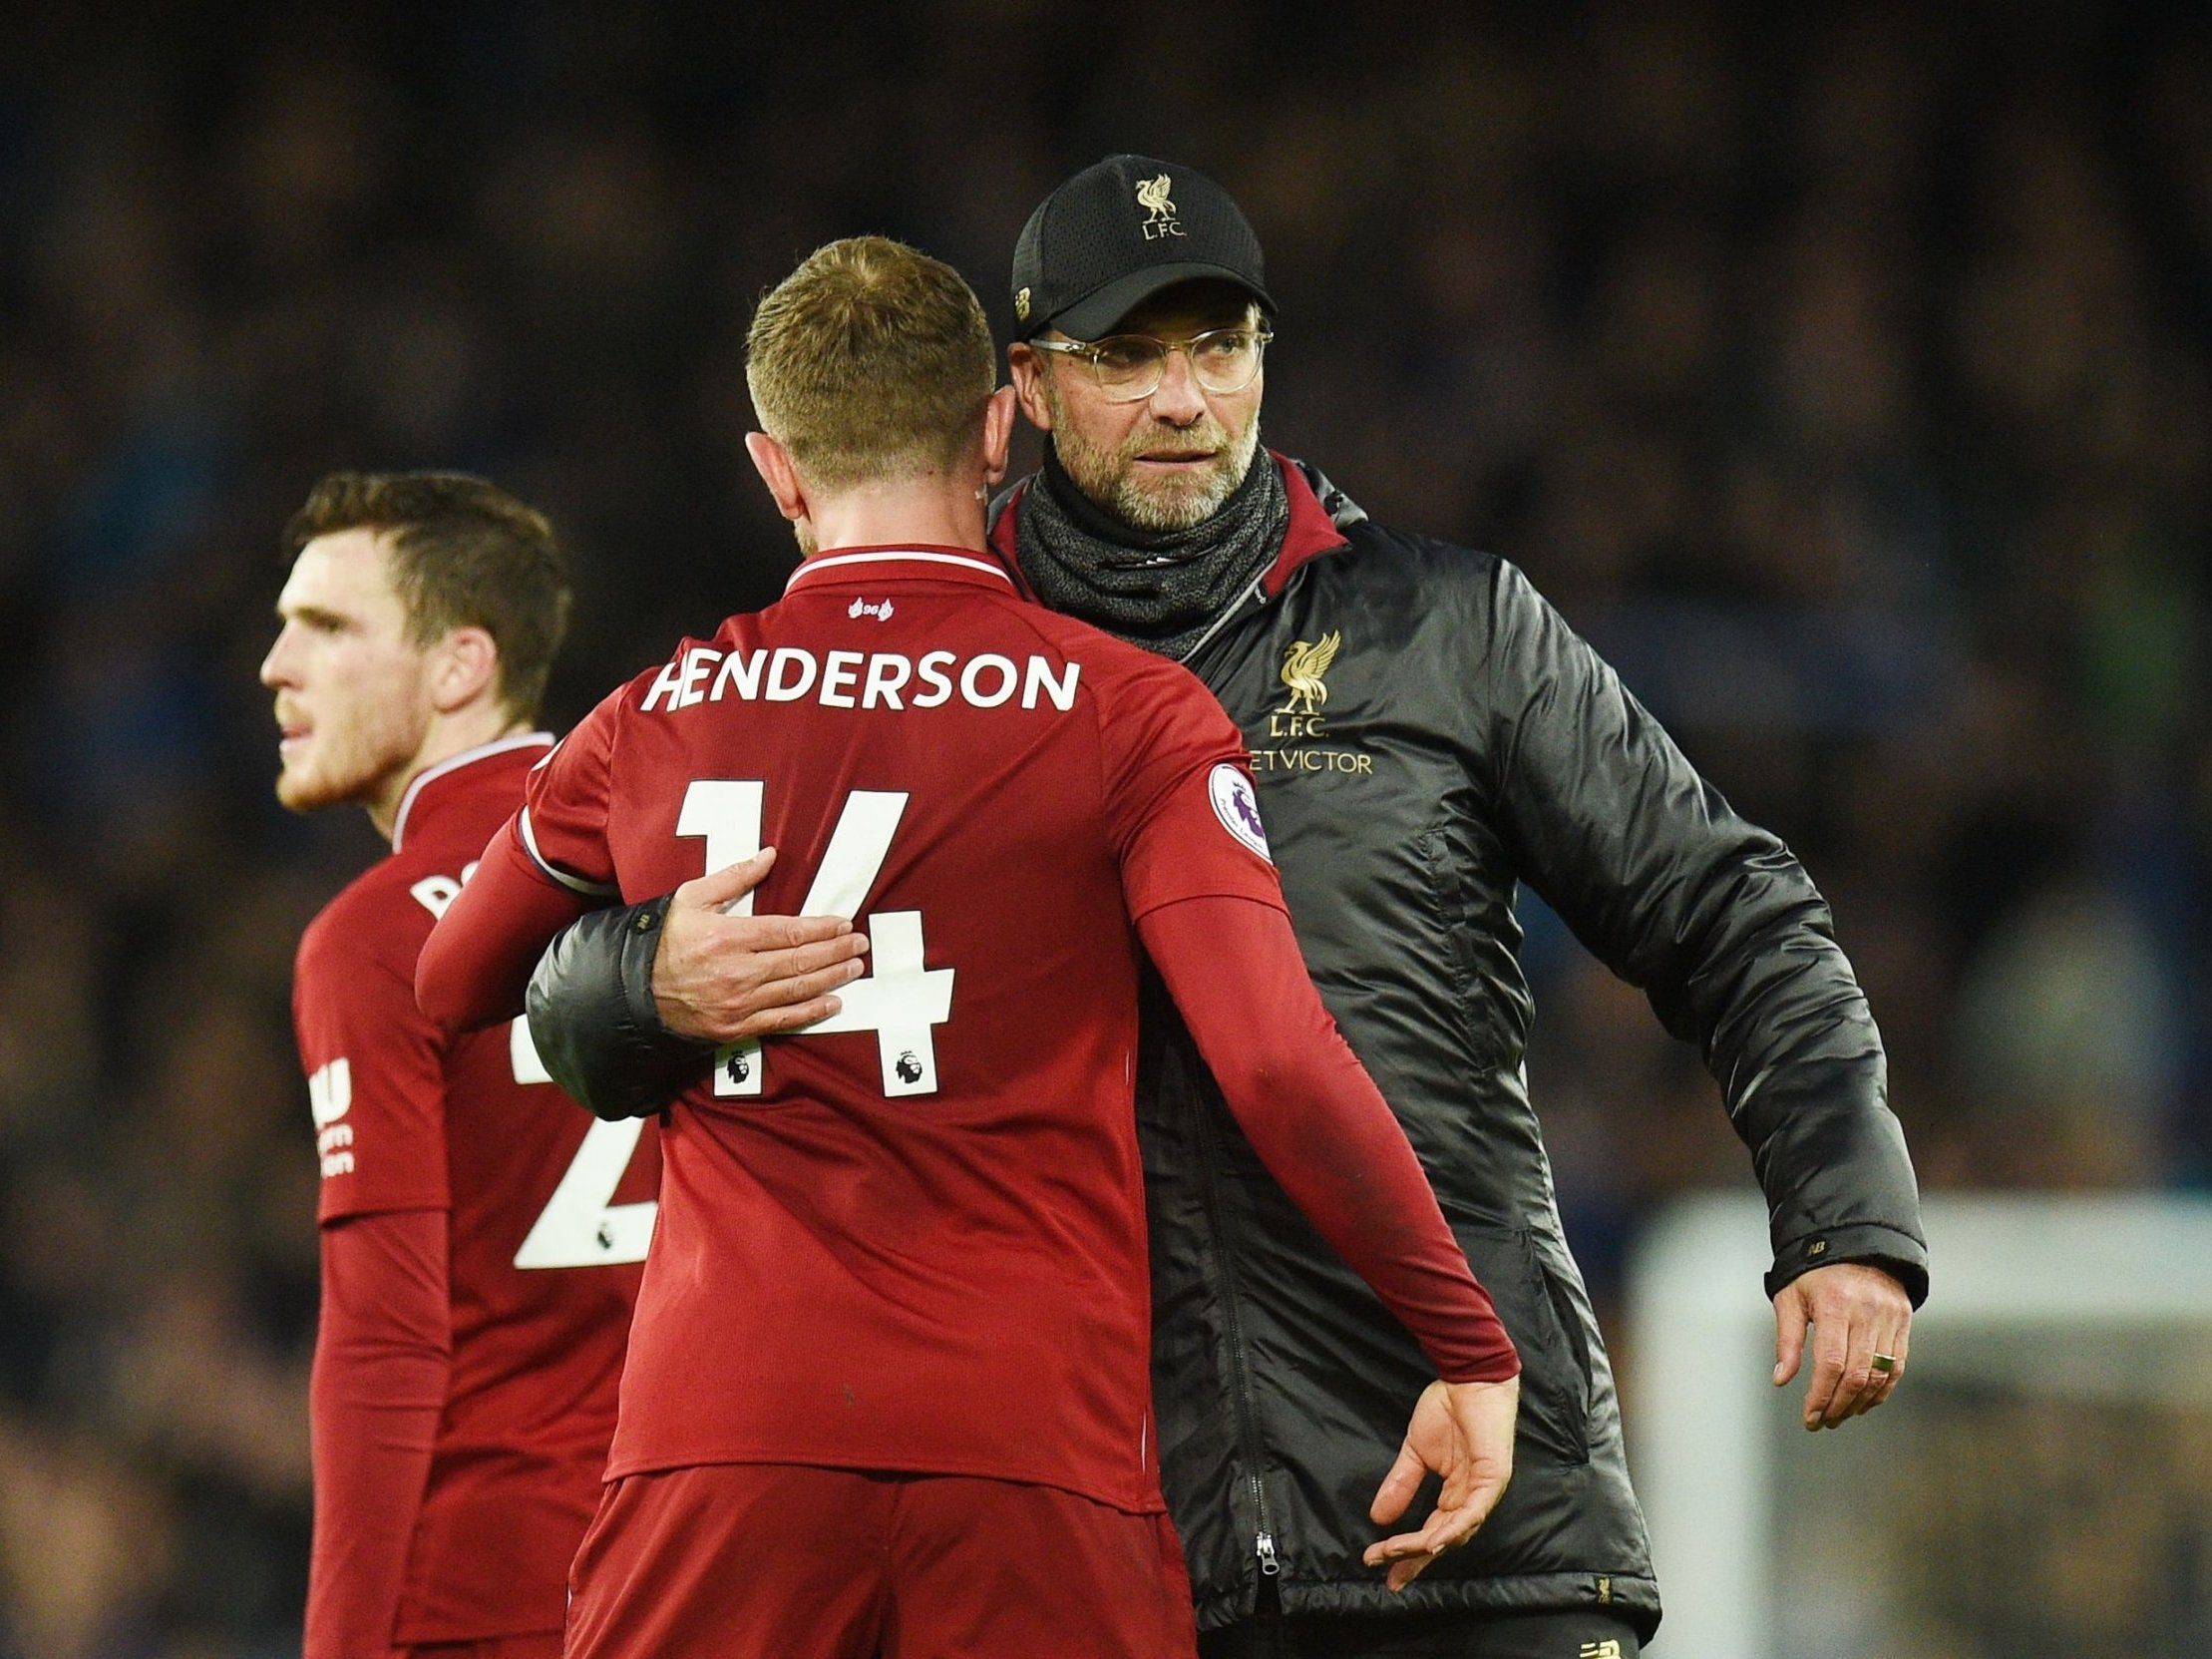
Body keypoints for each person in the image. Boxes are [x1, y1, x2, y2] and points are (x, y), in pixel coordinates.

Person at [525, 161, 1930, 1659]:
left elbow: (1730, 906)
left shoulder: (1448, 630)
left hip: (1469, 1511)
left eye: (1217, 346)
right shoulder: (902, 668)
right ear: (1027, 391)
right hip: (1091, 1536)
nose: (1183, 398)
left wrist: (1844, 1212)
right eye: (1125, 357)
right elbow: (557, 978)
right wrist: (636, 982)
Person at [415, 235, 1524, 1659]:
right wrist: (1466, 1339)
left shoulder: (658, 712)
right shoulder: (1130, 714)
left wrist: (641, 972)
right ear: (1000, 426)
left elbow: (449, 981)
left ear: (776, 466)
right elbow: (1276, 1062)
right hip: (1033, 1447)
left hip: (719, 1438)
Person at [261, 473, 678, 1659]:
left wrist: (344, 1642)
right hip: (705, 1564)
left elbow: (385, 1338)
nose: (274, 666)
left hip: (487, 1588)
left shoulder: (380, 933)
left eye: (327, 628)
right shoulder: (680, 872)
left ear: (458, 668)